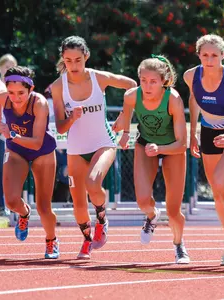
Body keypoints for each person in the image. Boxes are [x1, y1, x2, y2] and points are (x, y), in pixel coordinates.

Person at [51, 36, 137, 259]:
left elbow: (132, 86)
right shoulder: (58, 87)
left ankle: (102, 219)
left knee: (93, 182)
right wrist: (71, 118)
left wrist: (123, 118)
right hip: (76, 149)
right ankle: (87, 240)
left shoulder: (99, 77)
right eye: (68, 61)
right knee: (78, 203)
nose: (74, 66)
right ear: (63, 59)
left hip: (103, 142)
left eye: (78, 60)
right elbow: (60, 128)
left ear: (86, 56)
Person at [112, 55, 190, 264]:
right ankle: (152, 216)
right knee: (142, 201)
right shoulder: (131, 95)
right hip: (145, 145)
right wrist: (126, 133)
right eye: (143, 80)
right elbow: (127, 113)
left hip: (172, 148)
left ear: (163, 81)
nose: (147, 86)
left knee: (174, 212)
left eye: (153, 81)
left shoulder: (173, 99)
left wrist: (161, 148)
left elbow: (183, 143)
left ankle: (179, 245)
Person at [183, 34, 224, 266]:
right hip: (208, 132)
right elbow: (193, 101)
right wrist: (193, 135)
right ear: (199, 55)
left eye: (215, 55)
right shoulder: (191, 75)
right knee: (216, 191)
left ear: (223, 56)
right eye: (205, 55)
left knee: (220, 182)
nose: (210, 60)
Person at [0, 66, 59, 258]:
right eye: (11, 92)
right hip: (16, 151)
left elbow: (37, 142)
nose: (15, 97)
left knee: (43, 207)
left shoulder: (39, 103)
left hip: (42, 152)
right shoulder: (2, 98)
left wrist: (11, 134)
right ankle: (24, 213)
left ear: (31, 89)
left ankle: (51, 240)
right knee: (10, 201)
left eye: (21, 93)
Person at [0, 54, 18, 216]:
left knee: (10, 172)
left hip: (12, 135)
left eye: (11, 67)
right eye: (6, 67)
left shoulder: (18, 86)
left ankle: (10, 206)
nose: (8, 70)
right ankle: (1, 206)